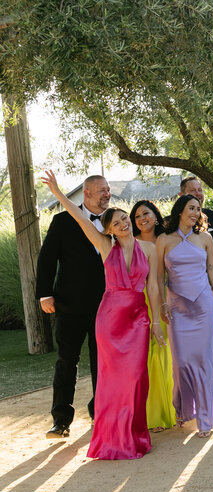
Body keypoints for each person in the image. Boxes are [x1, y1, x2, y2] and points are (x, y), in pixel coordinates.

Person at [40, 172, 164, 460]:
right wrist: (58, 193)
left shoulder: (149, 248)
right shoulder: (107, 247)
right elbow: (80, 220)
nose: (122, 224)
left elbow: (154, 287)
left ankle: (132, 433)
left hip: (138, 318)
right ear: (109, 231)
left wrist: (157, 321)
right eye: (116, 223)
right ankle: (103, 434)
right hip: (109, 318)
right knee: (106, 376)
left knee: (136, 376)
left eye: (124, 219)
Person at [35, 173, 109, 438]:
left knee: (103, 362)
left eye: (108, 190)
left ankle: (100, 413)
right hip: (69, 305)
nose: (107, 194)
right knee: (66, 361)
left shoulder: (115, 220)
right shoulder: (62, 221)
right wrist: (44, 294)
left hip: (106, 306)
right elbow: (47, 259)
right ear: (86, 193)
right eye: (101, 190)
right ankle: (61, 420)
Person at [158, 194, 213, 437]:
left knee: (203, 362)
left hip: (203, 306)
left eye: (198, 209)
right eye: (191, 208)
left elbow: (211, 270)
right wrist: (162, 304)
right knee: (180, 363)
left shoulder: (206, 238)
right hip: (176, 308)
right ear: (180, 210)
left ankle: (205, 419)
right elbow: (158, 277)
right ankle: (184, 409)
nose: (195, 213)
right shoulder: (164, 240)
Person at [131, 200, 176, 431]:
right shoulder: (131, 243)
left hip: (170, 300)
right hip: (141, 303)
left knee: (167, 353)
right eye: (137, 216)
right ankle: (154, 414)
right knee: (148, 354)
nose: (142, 219)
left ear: (156, 216)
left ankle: (175, 408)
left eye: (146, 213)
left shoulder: (167, 238)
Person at [180, 176, 213, 379]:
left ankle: (210, 381)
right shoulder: (169, 224)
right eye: (193, 191)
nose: (198, 194)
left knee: (211, 338)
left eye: (200, 190)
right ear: (181, 195)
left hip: (210, 289)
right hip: (181, 293)